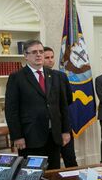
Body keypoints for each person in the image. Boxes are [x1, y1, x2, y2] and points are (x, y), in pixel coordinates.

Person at [5, 40, 71, 170]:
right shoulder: (16, 78)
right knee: (32, 176)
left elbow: (63, 106)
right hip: (30, 138)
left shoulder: (56, 76)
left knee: (54, 175)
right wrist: (17, 136)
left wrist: (65, 131)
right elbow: (11, 110)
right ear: (26, 55)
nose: (39, 55)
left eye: (41, 51)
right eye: (34, 52)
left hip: (54, 136)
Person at [43, 46, 77, 167]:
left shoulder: (61, 76)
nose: (50, 60)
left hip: (63, 124)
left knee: (70, 159)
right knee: (53, 163)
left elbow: (68, 99)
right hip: (48, 130)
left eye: (52, 57)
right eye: (47, 57)